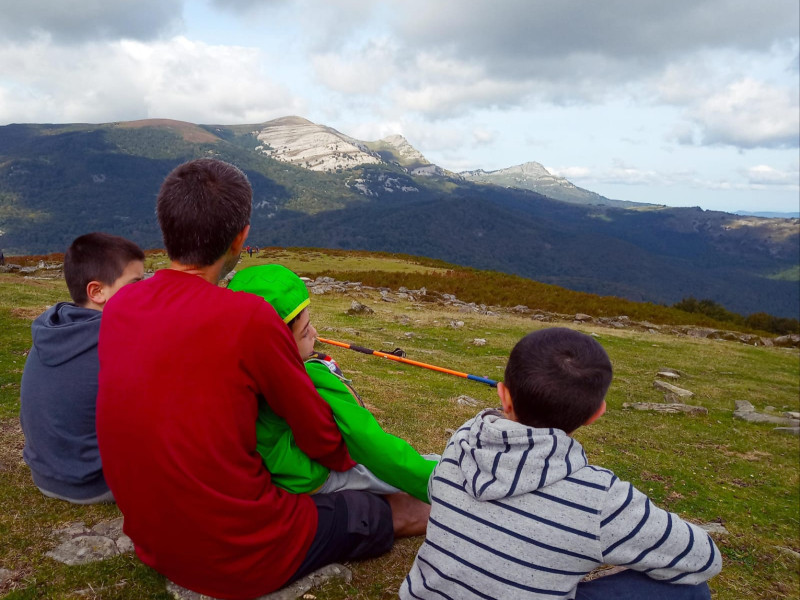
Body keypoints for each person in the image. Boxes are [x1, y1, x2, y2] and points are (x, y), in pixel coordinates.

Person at [95, 158, 429, 600]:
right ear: (241, 238)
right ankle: (441, 508)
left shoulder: (121, 306)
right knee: (375, 509)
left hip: (153, 541)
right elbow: (323, 438)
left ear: (165, 227)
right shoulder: (248, 318)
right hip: (242, 555)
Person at [401, 327, 722, 600]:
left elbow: (433, 491)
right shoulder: (599, 498)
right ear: (596, 414)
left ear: (503, 395)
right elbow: (703, 560)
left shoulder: (464, 439)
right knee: (691, 592)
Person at [228, 264, 437, 502]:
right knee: (384, 472)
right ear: (279, 344)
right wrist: (430, 480)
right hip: (306, 477)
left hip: (264, 472)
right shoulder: (306, 380)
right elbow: (367, 442)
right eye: (305, 331)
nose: (315, 333)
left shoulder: (230, 368)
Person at [19, 232, 144, 504]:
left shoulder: (55, 327)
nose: (144, 291)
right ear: (97, 291)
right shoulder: (117, 342)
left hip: (46, 475)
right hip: (92, 484)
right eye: (135, 283)